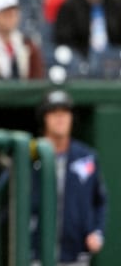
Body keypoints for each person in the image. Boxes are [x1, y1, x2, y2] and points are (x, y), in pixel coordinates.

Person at [32, 89, 107, 264]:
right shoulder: (31, 153)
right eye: (54, 113)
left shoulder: (86, 157)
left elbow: (100, 201)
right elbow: (6, 196)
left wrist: (97, 232)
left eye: (65, 113)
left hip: (75, 255)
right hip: (36, 254)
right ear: (45, 118)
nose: (60, 118)